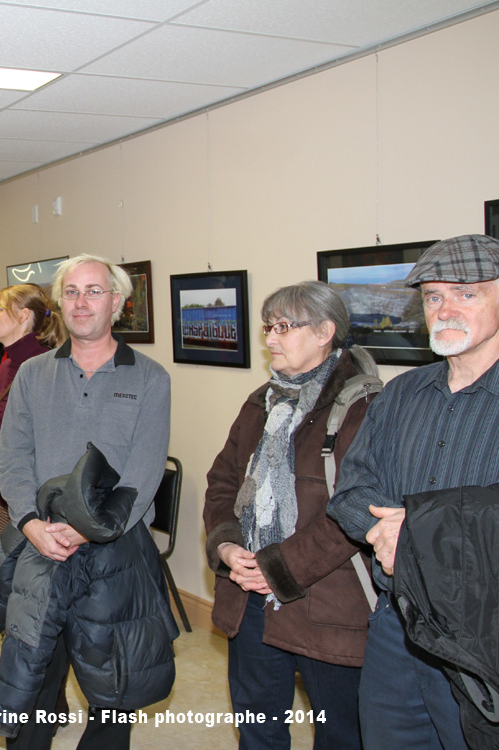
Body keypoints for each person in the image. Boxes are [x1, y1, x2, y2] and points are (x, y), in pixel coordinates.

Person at [0, 254, 177, 749]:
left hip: (116, 550)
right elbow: (13, 458)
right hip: (41, 545)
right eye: (71, 292)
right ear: (58, 303)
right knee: (32, 686)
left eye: (94, 291)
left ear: (116, 302)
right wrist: (31, 523)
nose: (82, 302)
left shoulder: (151, 378)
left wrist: (86, 529)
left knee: (112, 692)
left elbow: (143, 471)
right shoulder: (31, 374)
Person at [328, 234, 499, 750]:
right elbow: (352, 488)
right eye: (432, 296)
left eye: (466, 294)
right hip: (395, 626)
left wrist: (420, 538)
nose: (445, 309)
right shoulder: (401, 393)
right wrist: (386, 532)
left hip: (481, 636)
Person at [204, 281, 378, 750]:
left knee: (341, 733)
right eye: (268, 327)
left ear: (325, 332)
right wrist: (225, 545)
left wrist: (275, 567)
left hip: (329, 605)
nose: (270, 339)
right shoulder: (262, 401)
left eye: (284, 327)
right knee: (259, 727)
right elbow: (221, 482)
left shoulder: (362, 407)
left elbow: (356, 509)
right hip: (251, 599)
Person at [0, 284, 66, 584]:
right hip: (0, 488)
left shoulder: (46, 366)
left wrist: (3, 440)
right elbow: (2, 419)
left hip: (28, 496)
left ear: (22, 316)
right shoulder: (8, 362)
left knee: (21, 581)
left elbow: (55, 434)